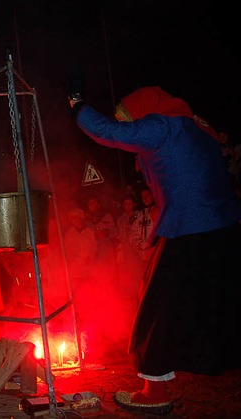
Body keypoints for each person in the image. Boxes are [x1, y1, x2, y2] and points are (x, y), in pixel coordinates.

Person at [68, 85, 241, 414]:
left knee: (155, 312)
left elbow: (108, 131)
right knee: (218, 306)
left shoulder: (164, 126)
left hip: (191, 233)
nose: (128, 123)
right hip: (225, 231)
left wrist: (77, 106)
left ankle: (154, 391)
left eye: (129, 117)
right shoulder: (197, 128)